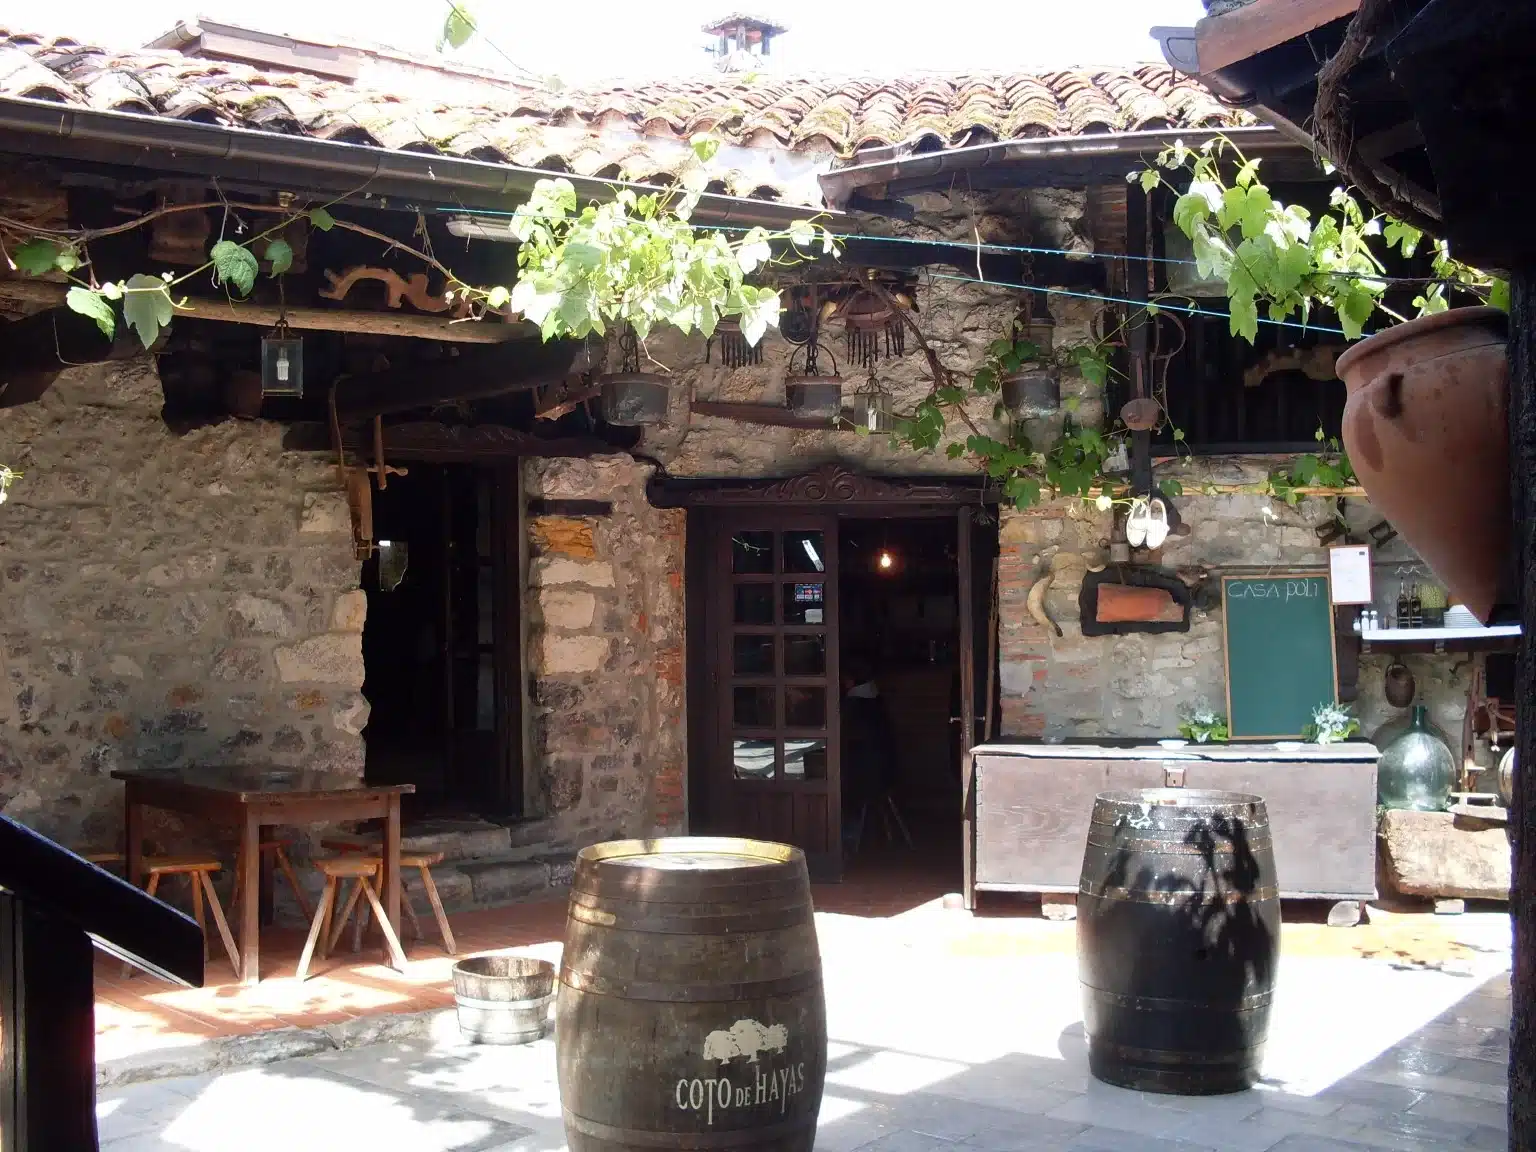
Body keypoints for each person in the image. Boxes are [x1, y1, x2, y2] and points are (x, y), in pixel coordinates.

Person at [840, 656, 897, 860]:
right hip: (886, 772)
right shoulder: (876, 702)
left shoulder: (854, 707)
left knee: (841, 791)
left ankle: (846, 843)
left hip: (865, 778)